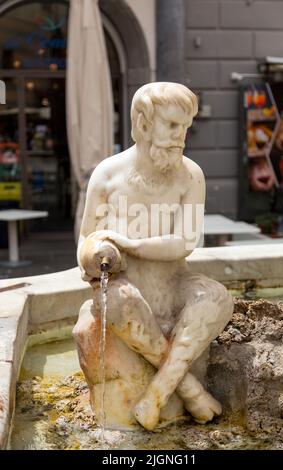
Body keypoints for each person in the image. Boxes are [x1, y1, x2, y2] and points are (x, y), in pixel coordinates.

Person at [73, 82, 233, 431]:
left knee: (216, 297)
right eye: (172, 126)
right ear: (143, 124)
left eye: (186, 128)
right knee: (114, 300)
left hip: (174, 281)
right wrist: (99, 252)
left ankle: (156, 396)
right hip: (127, 285)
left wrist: (129, 243)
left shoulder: (190, 175)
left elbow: (186, 242)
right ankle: (189, 390)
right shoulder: (108, 174)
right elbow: (86, 240)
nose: (181, 137)